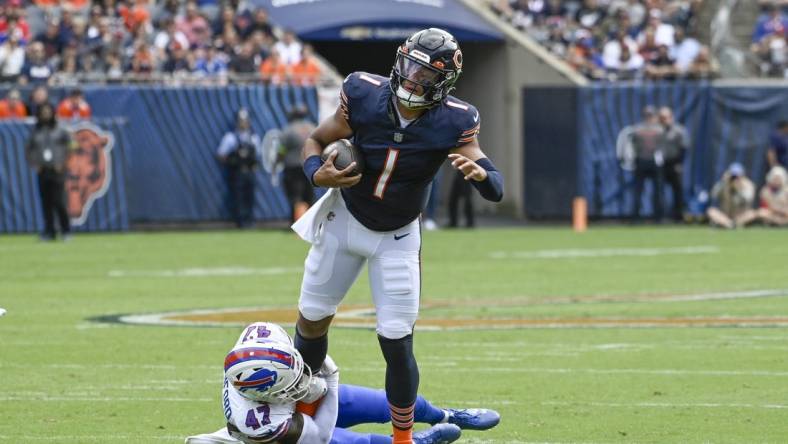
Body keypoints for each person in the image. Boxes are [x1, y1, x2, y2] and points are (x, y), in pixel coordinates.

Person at [292, 28, 503, 444]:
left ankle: (403, 439)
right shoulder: (364, 93)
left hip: (397, 234)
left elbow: (495, 183)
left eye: (425, 75)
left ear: (443, 83)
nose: (411, 78)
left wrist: (482, 177)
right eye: (409, 66)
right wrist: (317, 172)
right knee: (312, 322)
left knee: (396, 339)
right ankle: (302, 417)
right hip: (345, 218)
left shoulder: (457, 119)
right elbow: (316, 140)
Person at [184, 322, 500, 444]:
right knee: (353, 443)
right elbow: (319, 434)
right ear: (267, 394)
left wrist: (305, 378)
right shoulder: (260, 422)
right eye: (290, 383)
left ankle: (446, 414)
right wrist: (331, 382)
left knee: (385, 401)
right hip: (293, 432)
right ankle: (417, 441)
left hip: (288, 407)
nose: (300, 380)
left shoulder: (262, 336)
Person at [25, 103, 72, 240]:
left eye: (48, 111)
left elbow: (70, 148)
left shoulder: (60, 130)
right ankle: (49, 231)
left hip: (57, 170)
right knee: (46, 202)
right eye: (43, 112)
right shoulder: (36, 131)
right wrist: (34, 164)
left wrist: (63, 163)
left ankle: (66, 230)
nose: (45, 114)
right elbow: (29, 150)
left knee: (59, 201)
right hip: (43, 170)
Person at [217, 108, 261, 228]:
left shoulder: (253, 137)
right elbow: (221, 154)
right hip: (238, 173)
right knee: (239, 197)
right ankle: (240, 221)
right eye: (241, 120)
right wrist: (232, 161)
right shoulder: (231, 137)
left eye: (246, 120)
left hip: (250, 172)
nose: (244, 123)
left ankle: (250, 220)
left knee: (250, 196)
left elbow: (257, 154)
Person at [279, 106, 316, 223]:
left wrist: (278, 161)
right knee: (309, 196)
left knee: (295, 196)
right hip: (310, 167)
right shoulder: (312, 128)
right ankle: (310, 224)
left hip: (292, 168)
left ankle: (296, 223)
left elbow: (281, 150)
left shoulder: (288, 130)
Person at [631, 106, 665, 221]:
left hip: (642, 160)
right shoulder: (659, 129)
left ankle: (636, 217)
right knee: (654, 191)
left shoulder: (637, 129)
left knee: (640, 190)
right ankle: (657, 217)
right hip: (652, 161)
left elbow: (634, 145)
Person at [658, 106, 690, 221]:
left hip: (675, 163)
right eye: (661, 118)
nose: (663, 120)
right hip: (661, 164)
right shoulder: (657, 130)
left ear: (671, 117)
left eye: (665, 117)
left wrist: (679, 163)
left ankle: (678, 216)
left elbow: (684, 148)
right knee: (659, 191)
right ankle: (660, 216)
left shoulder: (679, 130)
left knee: (678, 191)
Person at [706, 162, 756, 229]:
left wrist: (739, 190)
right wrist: (723, 183)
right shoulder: (725, 184)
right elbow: (713, 194)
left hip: (740, 215)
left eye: (737, 176)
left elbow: (748, 199)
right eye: (733, 176)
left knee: (752, 213)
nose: (735, 179)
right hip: (725, 215)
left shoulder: (748, 184)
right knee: (711, 211)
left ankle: (729, 224)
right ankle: (730, 224)